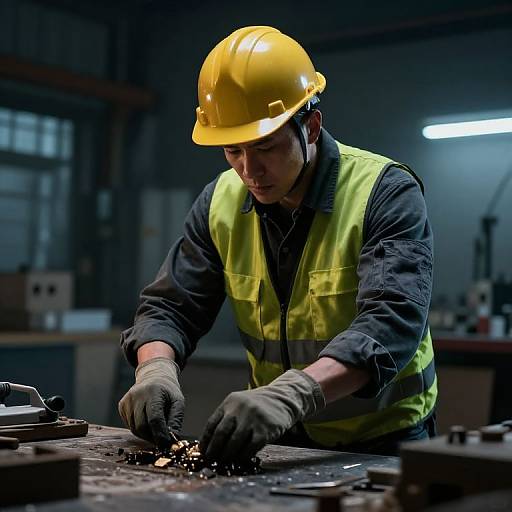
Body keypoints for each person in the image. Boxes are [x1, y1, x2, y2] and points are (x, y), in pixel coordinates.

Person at [118, 25, 437, 460]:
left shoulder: (385, 192)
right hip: (278, 440)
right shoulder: (219, 202)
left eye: (265, 147)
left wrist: (293, 394)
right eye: (233, 151)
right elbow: (171, 306)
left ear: (311, 126)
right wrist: (154, 368)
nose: (249, 170)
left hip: (385, 442)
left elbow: (390, 323)